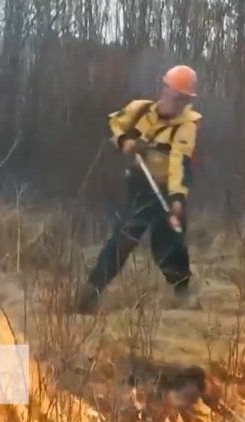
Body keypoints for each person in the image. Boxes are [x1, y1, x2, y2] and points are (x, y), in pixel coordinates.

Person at [73, 65, 203, 314]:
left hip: (167, 188)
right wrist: (126, 142)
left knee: (169, 243)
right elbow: (112, 124)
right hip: (140, 184)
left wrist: (177, 199)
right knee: (124, 237)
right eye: (175, 95)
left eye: (184, 99)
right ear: (164, 89)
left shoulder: (187, 125)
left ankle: (183, 294)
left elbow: (180, 162)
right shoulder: (139, 110)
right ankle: (91, 293)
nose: (178, 103)